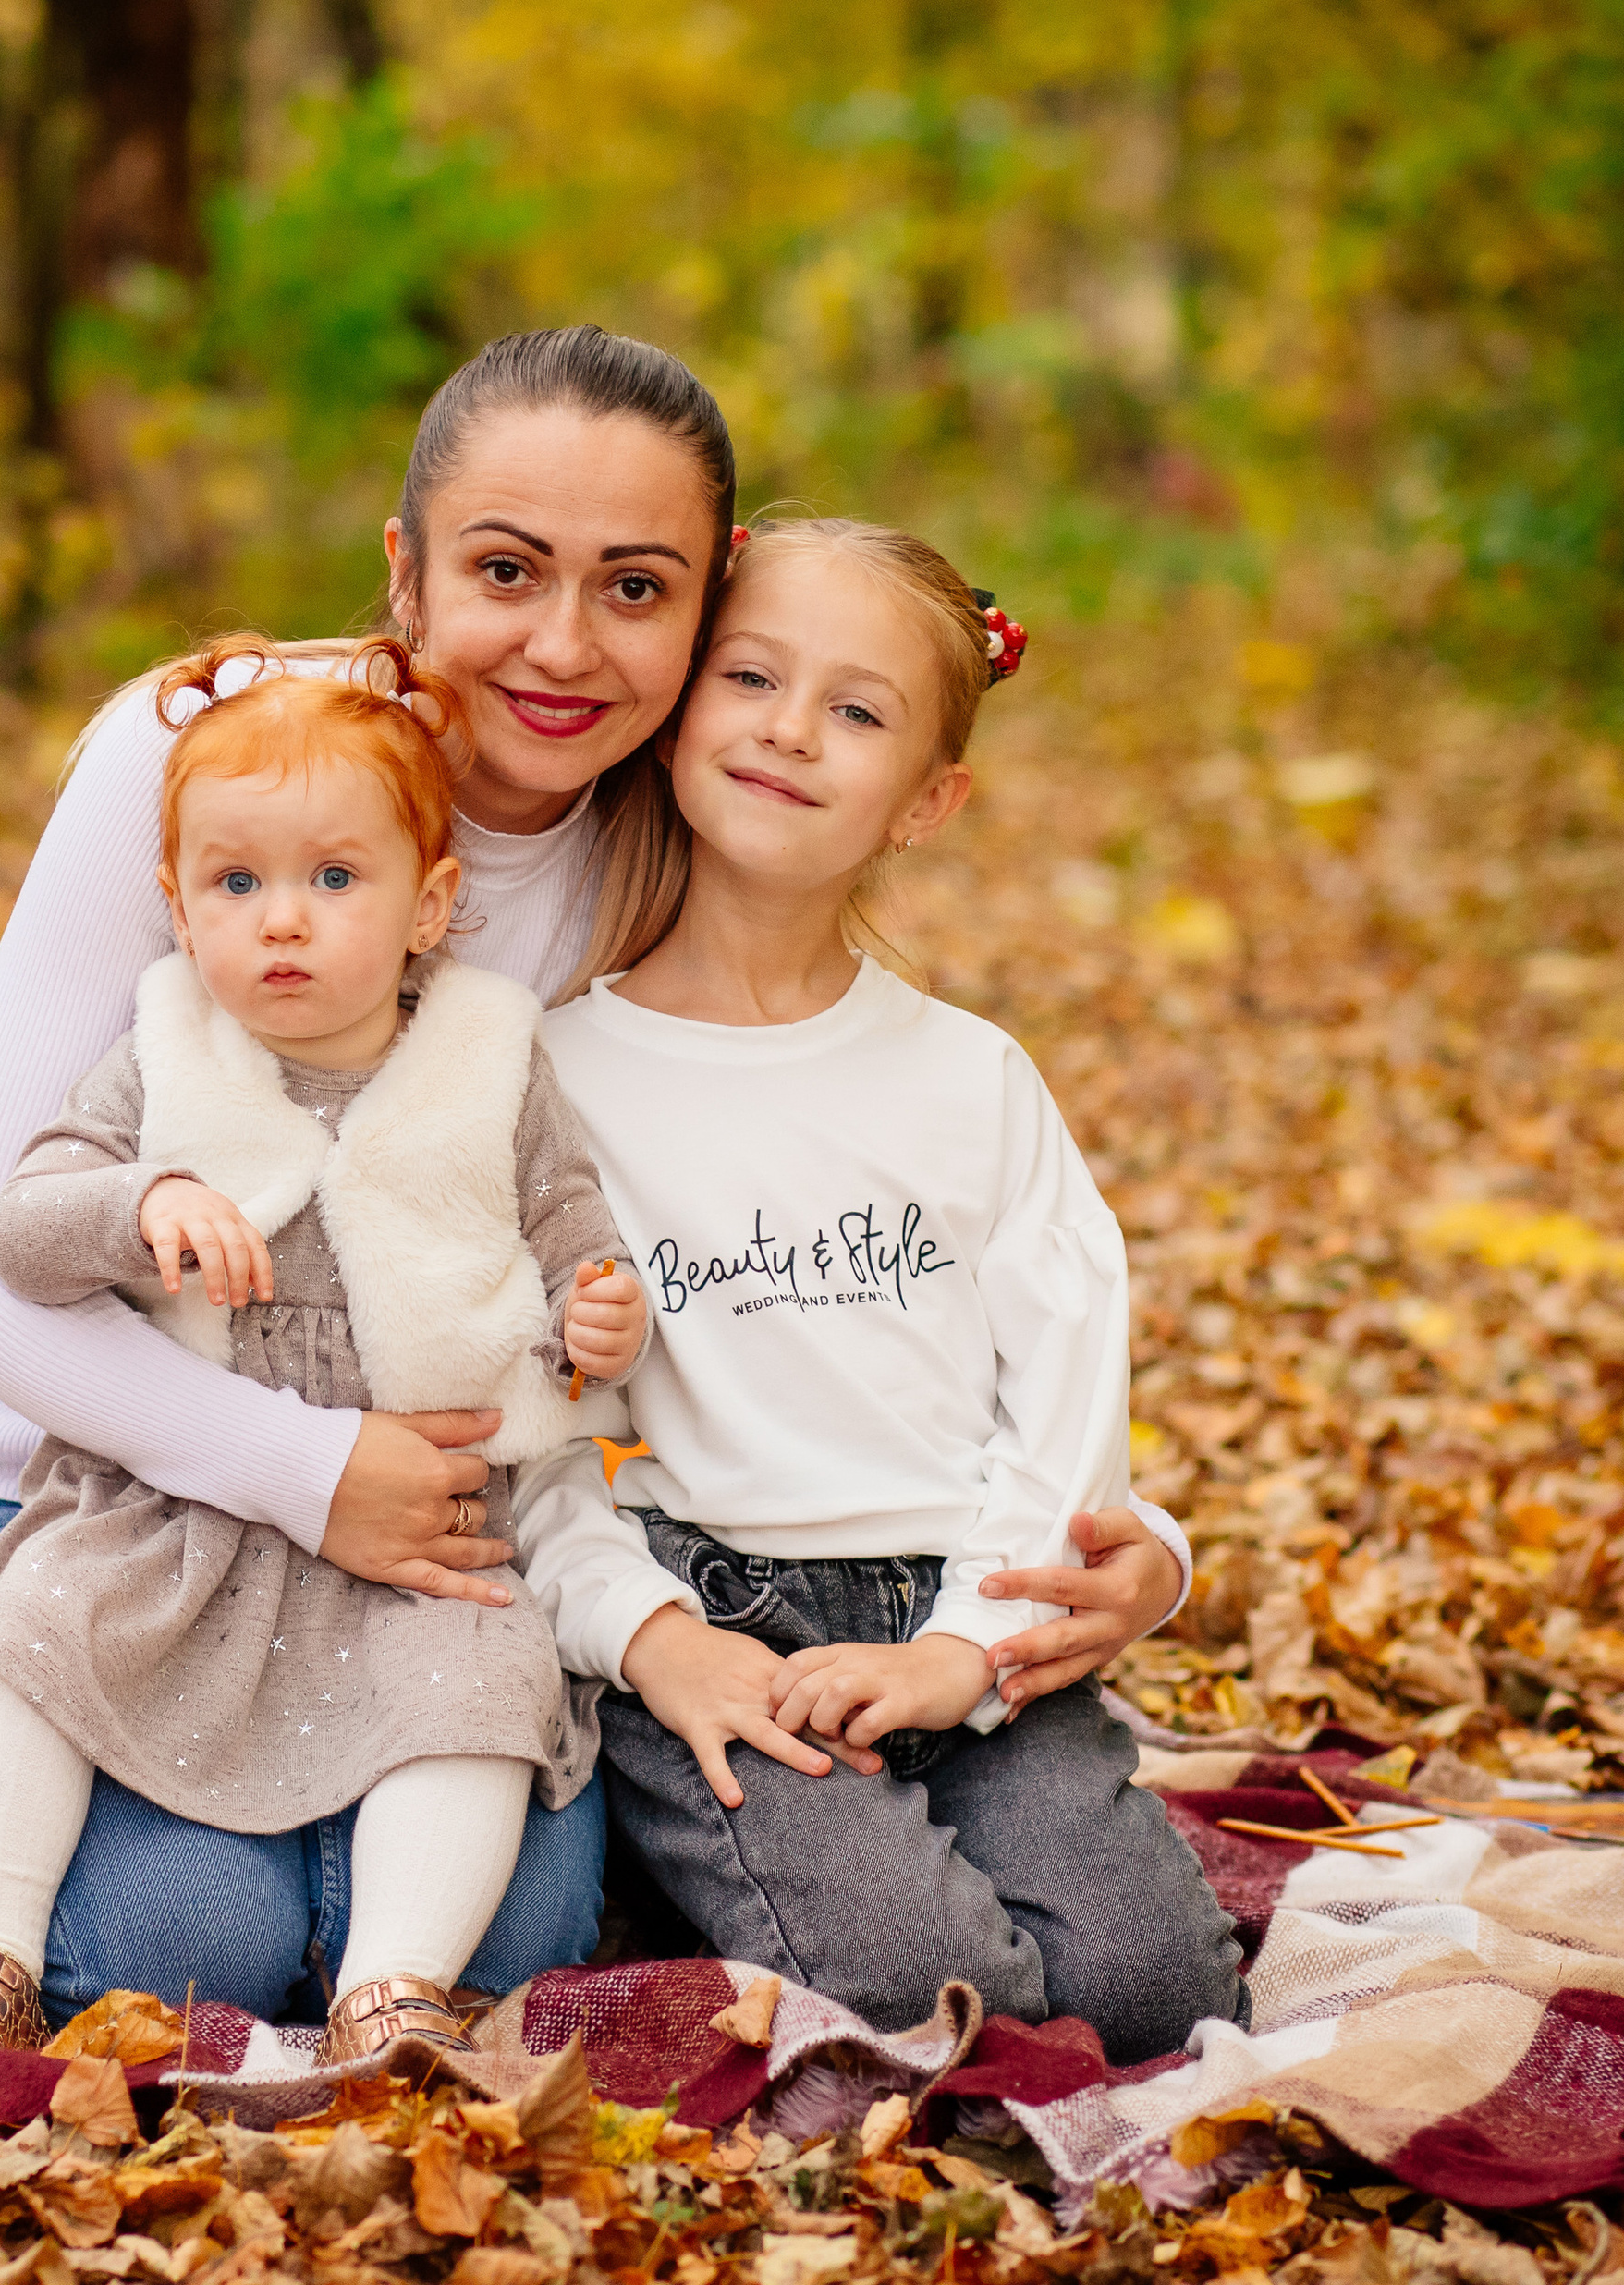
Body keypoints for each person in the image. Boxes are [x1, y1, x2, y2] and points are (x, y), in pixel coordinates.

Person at [0, 326, 1194, 2021]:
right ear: (403, 574)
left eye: (637, 591)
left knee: (495, 1953)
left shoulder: (672, 820)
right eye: (505, 571)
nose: (565, 646)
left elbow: (803, 1255)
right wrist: (307, 1467)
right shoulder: (221, 768)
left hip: (455, 1540)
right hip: (99, 1495)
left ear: (708, 617)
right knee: (174, 1963)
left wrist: (1125, 1537)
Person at [528, 517, 1244, 2061]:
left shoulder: (967, 1079)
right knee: (933, 1998)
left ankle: (777, 1877)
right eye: (753, 678)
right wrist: (646, 1632)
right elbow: (531, 1428)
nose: (791, 730)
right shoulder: (558, 1074)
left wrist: (965, 1648)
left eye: (856, 711)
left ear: (928, 802)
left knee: (1154, 1996)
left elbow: (1062, 1398)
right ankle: (695, 1867)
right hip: (721, 1630)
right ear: (673, 721)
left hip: (960, 1614)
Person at [0, 637, 646, 2057]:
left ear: (432, 907)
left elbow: (567, 1220)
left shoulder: (492, 1049)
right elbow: (17, 1232)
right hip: (168, 1508)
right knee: (51, 1635)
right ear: (175, 908)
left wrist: (597, 1307)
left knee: (483, 1690)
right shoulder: (167, 1051)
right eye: (236, 887)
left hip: (425, 1525)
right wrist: (142, 1203)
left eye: (333, 882)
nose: (280, 925)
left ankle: (392, 1987)